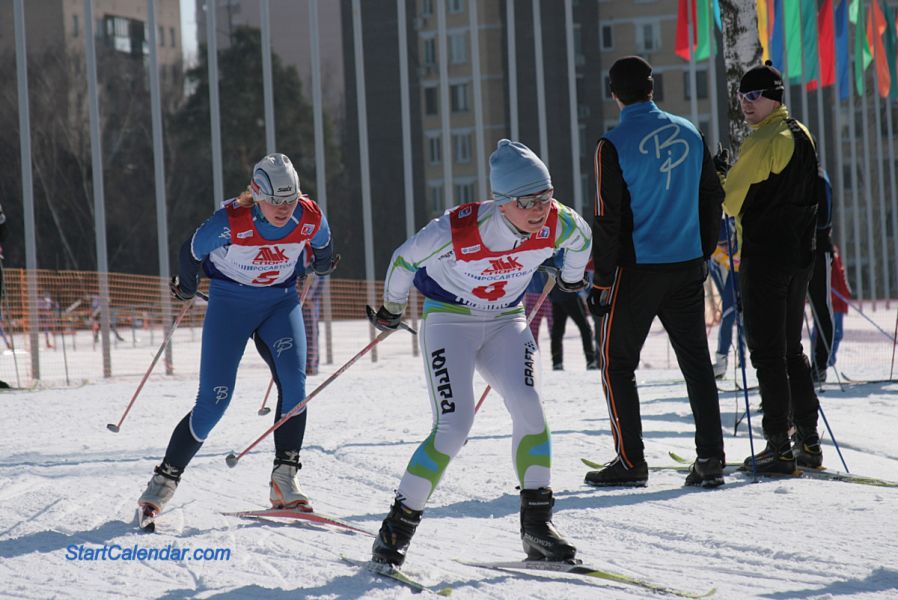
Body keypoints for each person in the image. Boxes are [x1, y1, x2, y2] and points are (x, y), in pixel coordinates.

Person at [367, 139, 591, 567]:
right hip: (451, 321)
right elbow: (402, 260)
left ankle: (537, 527)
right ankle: (395, 531)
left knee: (530, 408)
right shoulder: (459, 229)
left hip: (507, 320)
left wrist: (572, 279)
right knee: (454, 426)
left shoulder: (558, 223)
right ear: (502, 202)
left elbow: (582, 240)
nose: (540, 208)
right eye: (528, 201)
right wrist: (391, 309)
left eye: (546, 196)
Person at [137, 153, 338, 521]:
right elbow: (191, 250)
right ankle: (163, 483)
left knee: (295, 385)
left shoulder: (308, 214)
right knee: (215, 401)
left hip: (280, 303)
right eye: (275, 201)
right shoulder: (230, 222)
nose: (283, 208)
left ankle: (285, 481)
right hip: (230, 305)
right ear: (257, 194)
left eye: (290, 199)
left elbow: (323, 247)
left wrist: (322, 262)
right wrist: (186, 283)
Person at [586, 56, 725, 488]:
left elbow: (608, 219)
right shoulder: (690, 131)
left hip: (637, 270)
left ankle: (631, 462)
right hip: (686, 265)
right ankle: (711, 459)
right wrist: (702, 254)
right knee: (697, 364)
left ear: (614, 94)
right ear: (653, 87)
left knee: (616, 363)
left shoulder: (612, 144)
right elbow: (711, 198)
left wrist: (602, 280)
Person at [719, 61, 823, 473]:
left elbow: (730, 200)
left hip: (765, 255)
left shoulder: (763, 140)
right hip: (800, 255)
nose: (745, 104)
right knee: (791, 350)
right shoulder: (801, 133)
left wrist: (718, 176)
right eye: (742, 96)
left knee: (766, 353)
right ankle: (808, 442)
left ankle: (778, 444)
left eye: (753, 96)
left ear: (774, 97)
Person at [547, 251, 597, 371]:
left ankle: (557, 362)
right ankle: (590, 360)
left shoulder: (551, 249)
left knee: (558, 330)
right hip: (569, 294)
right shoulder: (563, 248)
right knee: (584, 327)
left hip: (556, 293)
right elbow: (564, 265)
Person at [807, 168, 834, 383]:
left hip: (818, 250)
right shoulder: (794, 174)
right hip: (796, 251)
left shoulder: (818, 176)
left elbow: (823, 218)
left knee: (821, 307)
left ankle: (820, 364)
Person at [708, 218, 739, 379]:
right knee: (728, 315)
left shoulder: (740, 240)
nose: (726, 248)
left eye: (728, 243)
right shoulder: (715, 251)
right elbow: (713, 270)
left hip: (748, 273)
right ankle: (721, 363)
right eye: (721, 245)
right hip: (732, 277)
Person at [827, 245, 851, 367]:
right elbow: (832, 282)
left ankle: (829, 359)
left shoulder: (836, 259)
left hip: (839, 304)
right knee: (833, 333)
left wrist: (846, 293)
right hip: (833, 304)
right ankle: (826, 359)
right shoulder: (830, 259)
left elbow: (842, 280)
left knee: (837, 334)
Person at [523, 269, 553, 347]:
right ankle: (532, 357)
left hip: (550, 294)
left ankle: (557, 357)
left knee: (554, 329)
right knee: (530, 332)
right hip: (532, 293)